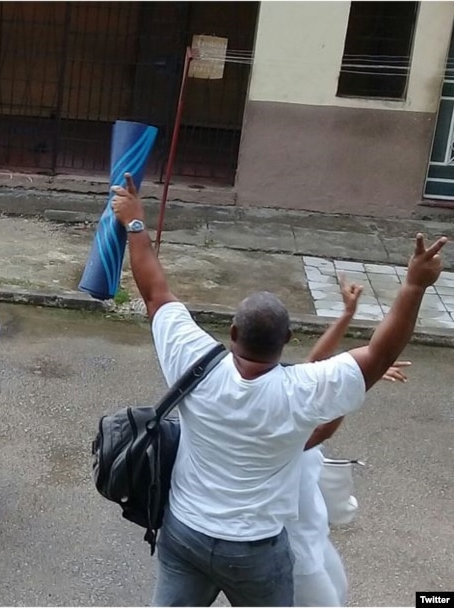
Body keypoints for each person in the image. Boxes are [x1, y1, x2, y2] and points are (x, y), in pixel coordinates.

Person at [109, 173, 447, 606]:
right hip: (254, 551)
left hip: (184, 533)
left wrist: (135, 223)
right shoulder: (302, 391)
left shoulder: (193, 360)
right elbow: (379, 353)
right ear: (288, 342)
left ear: (231, 331)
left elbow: (155, 291)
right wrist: (415, 284)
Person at [291, 276, 410, 607]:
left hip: (314, 536)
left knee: (340, 592)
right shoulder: (291, 434)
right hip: (295, 551)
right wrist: (363, 375)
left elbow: (312, 369)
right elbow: (329, 412)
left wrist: (346, 315)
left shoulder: (289, 408)